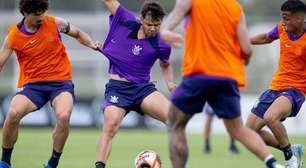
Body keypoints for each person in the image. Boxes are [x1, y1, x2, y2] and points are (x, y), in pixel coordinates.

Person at [160, 0, 284, 168]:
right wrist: (245, 60)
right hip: (228, 77)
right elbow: (247, 49)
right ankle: (274, 163)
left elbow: (175, 16)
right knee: (238, 130)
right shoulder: (235, 8)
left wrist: (164, 31)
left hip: (199, 74)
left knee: (175, 124)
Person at [0, 0, 100, 167]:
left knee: (63, 116)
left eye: (43, 12)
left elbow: (77, 33)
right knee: (12, 114)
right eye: (36, 14)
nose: (41, 17)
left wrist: (91, 44)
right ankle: (5, 162)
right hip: (33, 87)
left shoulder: (55, 23)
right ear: (25, 13)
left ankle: (52, 163)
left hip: (61, 84)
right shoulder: (13, 36)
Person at [95, 0, 175, 168]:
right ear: (141, 19)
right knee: (110, 126)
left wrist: (170, 83)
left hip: (143, 89)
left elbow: (165, 64)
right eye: (149, 24)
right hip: (118, 88)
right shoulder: (124, 18)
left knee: (174, 120)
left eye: (157, 24)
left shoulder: (162, 44)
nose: (153, 28)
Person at [246, 0, 306, 168]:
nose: (283, 22)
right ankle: (292, 149)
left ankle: (291, 161)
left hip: (295, 90)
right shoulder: (282, 28)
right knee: (249, 132)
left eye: (287, 19)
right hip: (275, 87)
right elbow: (266, 37)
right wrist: (241, 41)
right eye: (282, 18)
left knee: (271, 117)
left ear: (299, 19)